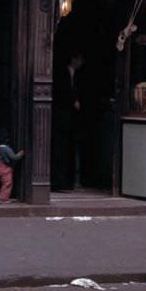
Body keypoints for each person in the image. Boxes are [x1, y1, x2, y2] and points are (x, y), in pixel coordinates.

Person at [51, 50, 84, 190]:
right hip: (61, 117)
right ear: (74, 59)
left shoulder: (78, 76)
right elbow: (61, 93)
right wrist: (73, 101)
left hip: (70, 120)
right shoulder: (62, 74)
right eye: (80, 59)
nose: (82, 63)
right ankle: (57, 181)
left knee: (67, 149)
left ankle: (66, 181)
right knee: (59, 149)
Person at [0, 128, 25, 204]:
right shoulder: (6, 149)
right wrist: (20, 153)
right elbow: (14, 157)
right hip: (4, 169)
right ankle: (3, 199)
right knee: (7, 183)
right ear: (6, 140)